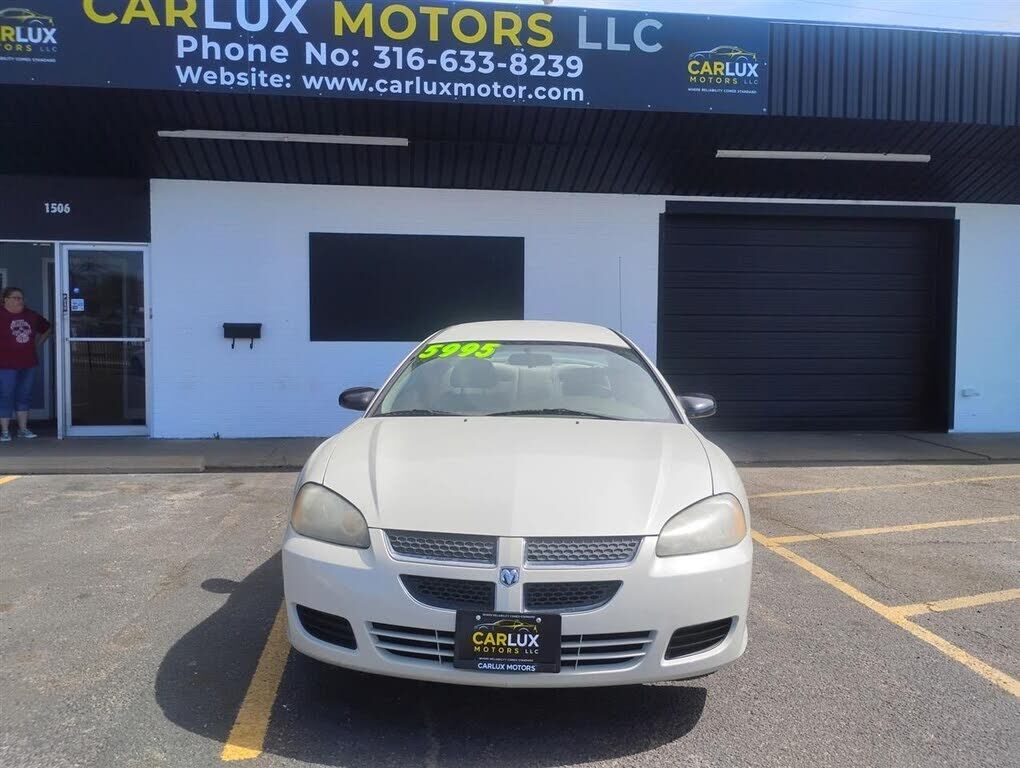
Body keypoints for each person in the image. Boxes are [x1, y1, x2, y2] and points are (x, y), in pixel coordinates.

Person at [0, 286, 52, 442]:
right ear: (5, 300)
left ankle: (23, 429)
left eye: (22, 298)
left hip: (28, 363)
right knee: (6, 395)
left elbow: (48, 328)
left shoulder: (31, 315)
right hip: (5, 364)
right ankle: (5, 431)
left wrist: (37, 344)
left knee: (24, 396)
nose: (20, 301)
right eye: (16, 298)